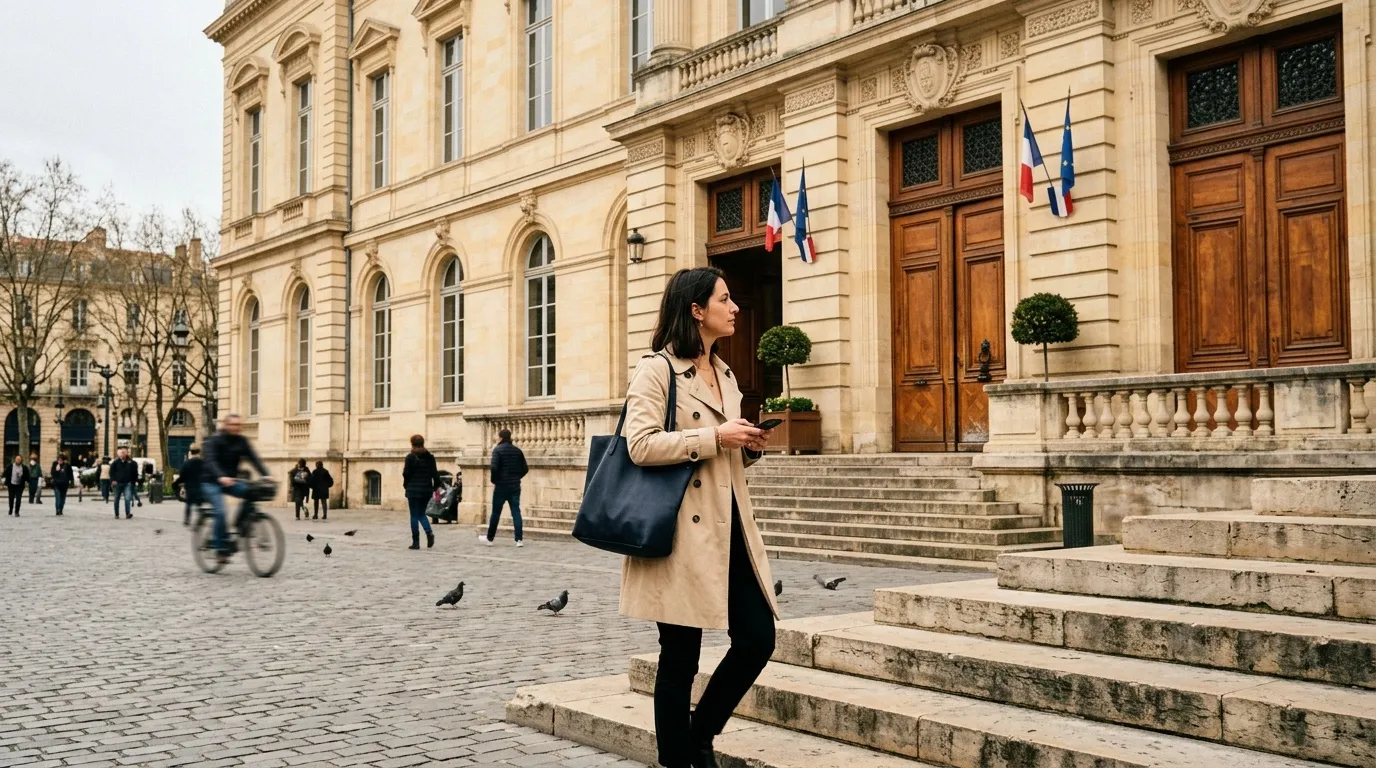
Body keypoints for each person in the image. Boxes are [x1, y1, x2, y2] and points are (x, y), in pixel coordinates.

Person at [621, 267, 777, 768]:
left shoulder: (726, 373)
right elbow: (639, 445)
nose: (735, 308)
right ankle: (680, 759)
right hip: (681, 531)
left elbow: (724, 452)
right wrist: (716, 438)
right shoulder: (656, 370)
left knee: (757, 638)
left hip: (730, 526)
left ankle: (699, 735)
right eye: (725, 299)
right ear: (696, 310)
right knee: (680, 658)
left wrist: (747, 445)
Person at [201, 414, 271, 561]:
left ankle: (239, 524)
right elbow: (211, 460)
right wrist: (220, 476)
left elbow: (254, 458)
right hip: (210, 481)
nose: (236, 428)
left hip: (231, 481)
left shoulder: (242, 441)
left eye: (238, 425)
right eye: (233, 425)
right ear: (226, 426)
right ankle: (220, 549)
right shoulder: (215, 440)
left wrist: (265, 474)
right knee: (221, 511)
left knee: (251, 493)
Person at [480, 429, 528, 547]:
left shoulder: (497, 450)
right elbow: (525, 468)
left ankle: (490, 538)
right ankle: (519, 539)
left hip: (501, 486)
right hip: (515, 485)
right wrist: (517, 477)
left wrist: (494, 480)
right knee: (516, 512)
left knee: (496, 512)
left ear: (501, 438)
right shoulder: (518, 451)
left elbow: (494, 468)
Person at [402, 435, 440, 550]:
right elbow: (435, 474)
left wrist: (406, 486)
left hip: (413, 490)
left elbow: (406, 474)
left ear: (412, 444)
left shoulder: (410, 457)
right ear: (423, 443)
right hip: (426, 490)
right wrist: (435, 487)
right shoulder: (430, 457)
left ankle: (416, 542)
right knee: (422, 514)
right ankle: (429, 533)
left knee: (414, 515)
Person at [173, 447, 205, 526]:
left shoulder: (186, 464)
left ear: (191, 453)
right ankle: (200, 518)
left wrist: (175, 484)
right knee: (199, 504)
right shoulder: (203, 463)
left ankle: (187, 520)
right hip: (200, 488)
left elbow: (182, 477)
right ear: (199, 453)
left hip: (190, 488)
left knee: (188, 504)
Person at [109, 448, 139, 519]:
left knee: (127, 498)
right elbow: (111, 472)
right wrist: (113, 480)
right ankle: (116, 514)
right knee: (116, 499)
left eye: (124, 452)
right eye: (121, 452)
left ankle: (127, 513)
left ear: (127, 453)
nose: (122, 454)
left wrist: (134, 482)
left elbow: (135, 473)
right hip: (118, 483)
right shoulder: (115, 462)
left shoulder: (132, 463)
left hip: (127, 483)